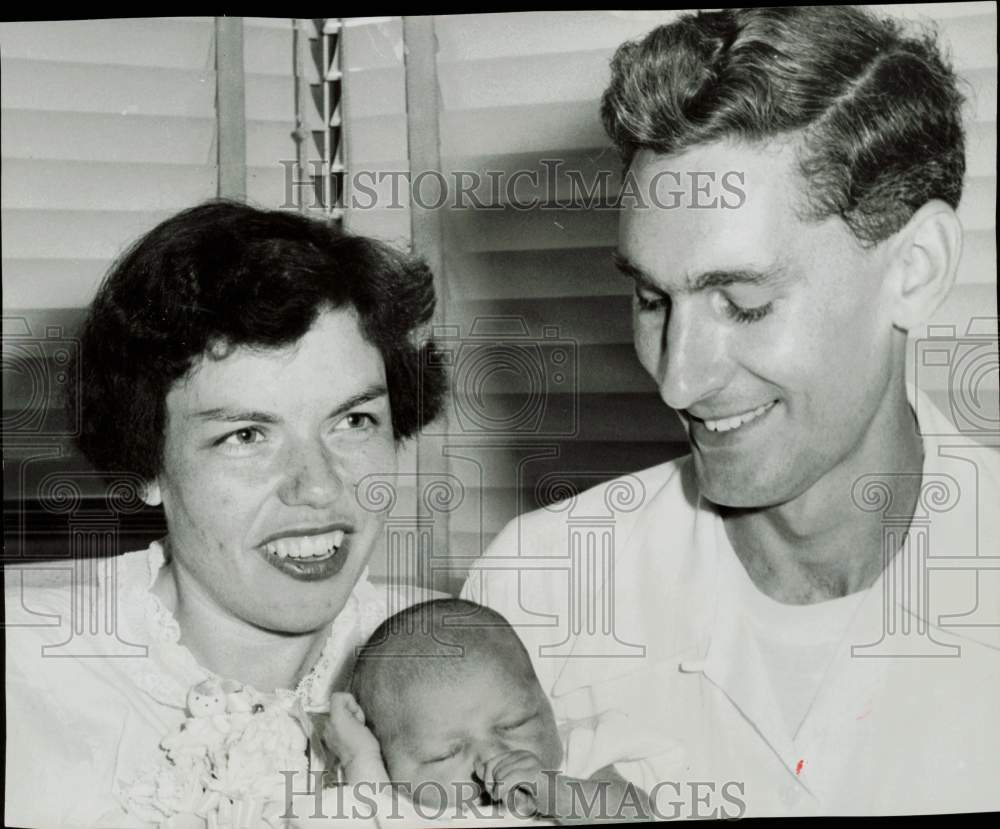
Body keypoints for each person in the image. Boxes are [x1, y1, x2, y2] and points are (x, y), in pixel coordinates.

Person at [464, 5, 1000, 817]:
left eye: (743, 303)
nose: (677, 381)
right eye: (650, 299)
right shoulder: (538, 590)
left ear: (916, 269)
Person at [4, 200, 448, 828]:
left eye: (353, 421)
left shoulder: (463, 654)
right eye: (245, 435)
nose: (318, 488)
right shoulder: (24, 675)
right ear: (148, 463)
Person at [322, 599, 652, 823]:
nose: (492, 759)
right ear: (389, 767)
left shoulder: (579, 757)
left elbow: (640, 813)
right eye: (444, 755)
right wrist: (360, 758)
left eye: (514, 724)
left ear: (544, 700)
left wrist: (557, 793)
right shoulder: (402, 803)